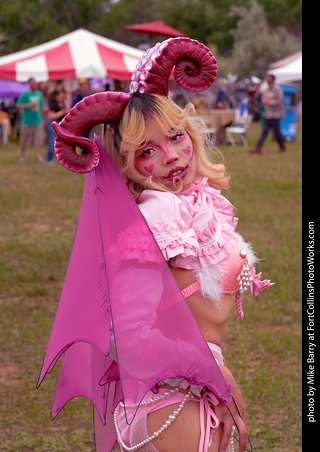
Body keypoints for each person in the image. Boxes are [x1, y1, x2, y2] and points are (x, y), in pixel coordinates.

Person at [38, 38, 273, 452]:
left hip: (188, 392)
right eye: (148, 150)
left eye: (176, 136)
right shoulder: (157, 211)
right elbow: (131, 335)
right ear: (127, 162)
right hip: (172, 398)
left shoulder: (195, 201)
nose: (171, 156)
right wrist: (212, 370)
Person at [249, 74, 286, 154]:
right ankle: (258, 148)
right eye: (267, 78)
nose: (267, 80)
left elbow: (280, 101)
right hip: (268, 114)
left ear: (273, 79)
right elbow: (264, 98)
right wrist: (264, 101)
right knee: (264, 131)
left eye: (269, 78)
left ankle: (282, 147)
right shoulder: (267, 89)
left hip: (275, 115)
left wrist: (269, 102)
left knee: (277, 132)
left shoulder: (277, 89)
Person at [16, 77, 45, 162]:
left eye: (35, 83)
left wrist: (43, 118)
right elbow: (18, 105)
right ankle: (21, 155)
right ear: (29, 84)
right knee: (24, 140)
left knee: (39, 140)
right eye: (32, 83)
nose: (34, 85)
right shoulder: (25, 94)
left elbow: (41, 107)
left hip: (38, 121)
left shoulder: (39, 94)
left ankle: (39, 157)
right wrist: (28, 105)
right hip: (26, 122)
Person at [46, 90, 68, 165]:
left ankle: (62, 159)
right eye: (60, 96)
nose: (62, 98)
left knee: (63, 143)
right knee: (52, 142)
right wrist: (61, 112)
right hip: (54, 124)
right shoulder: (53, 105)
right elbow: (51, 116)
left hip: (62, 124)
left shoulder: (65, 104)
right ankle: (49, 159)